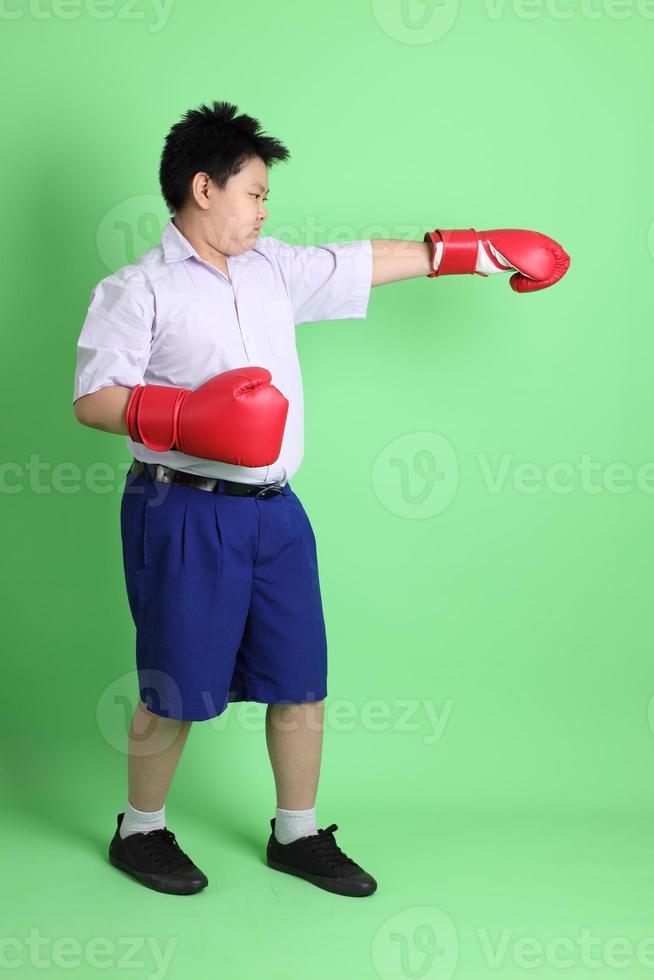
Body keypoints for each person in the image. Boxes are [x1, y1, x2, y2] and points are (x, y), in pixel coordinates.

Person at [72, 99, 570, 899]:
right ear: (205, 188)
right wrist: (185, 417)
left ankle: (296, 834)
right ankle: (141, 830)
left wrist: (479, 252)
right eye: (257, 192)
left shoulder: (273, 269)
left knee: (300, 678)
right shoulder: (137, 289)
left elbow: (363, 260)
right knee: (177, 686)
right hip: (183, 507)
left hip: (276, 511)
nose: (267, 209)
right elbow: (93, 398)